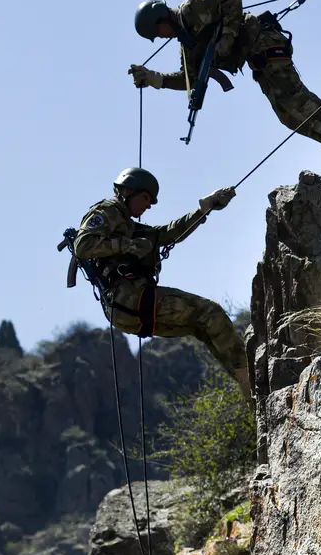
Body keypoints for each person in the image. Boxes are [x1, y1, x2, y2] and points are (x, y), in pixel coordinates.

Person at [126, 0, 321, 170]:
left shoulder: (192, 9)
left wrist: (226, 39)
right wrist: (154, 79)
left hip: (264, 42)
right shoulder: (187, 45)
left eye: (158, 33)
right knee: (288, 116)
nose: (162, 38)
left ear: (161, 19)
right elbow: (188, 80)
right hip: (257, 61)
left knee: (294, 98)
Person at [69, 167, 252, 401]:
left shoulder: (130, 225)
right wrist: (127, 246)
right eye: (146, 198)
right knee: (210, 313)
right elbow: (82, 246)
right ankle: (251, 378)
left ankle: (248, 387)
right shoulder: (108, 210)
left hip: (125, 311)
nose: (149, 205)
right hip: (130, 298)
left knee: (202, 327)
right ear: (128, 190)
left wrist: (204, 209)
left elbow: (166, 234)